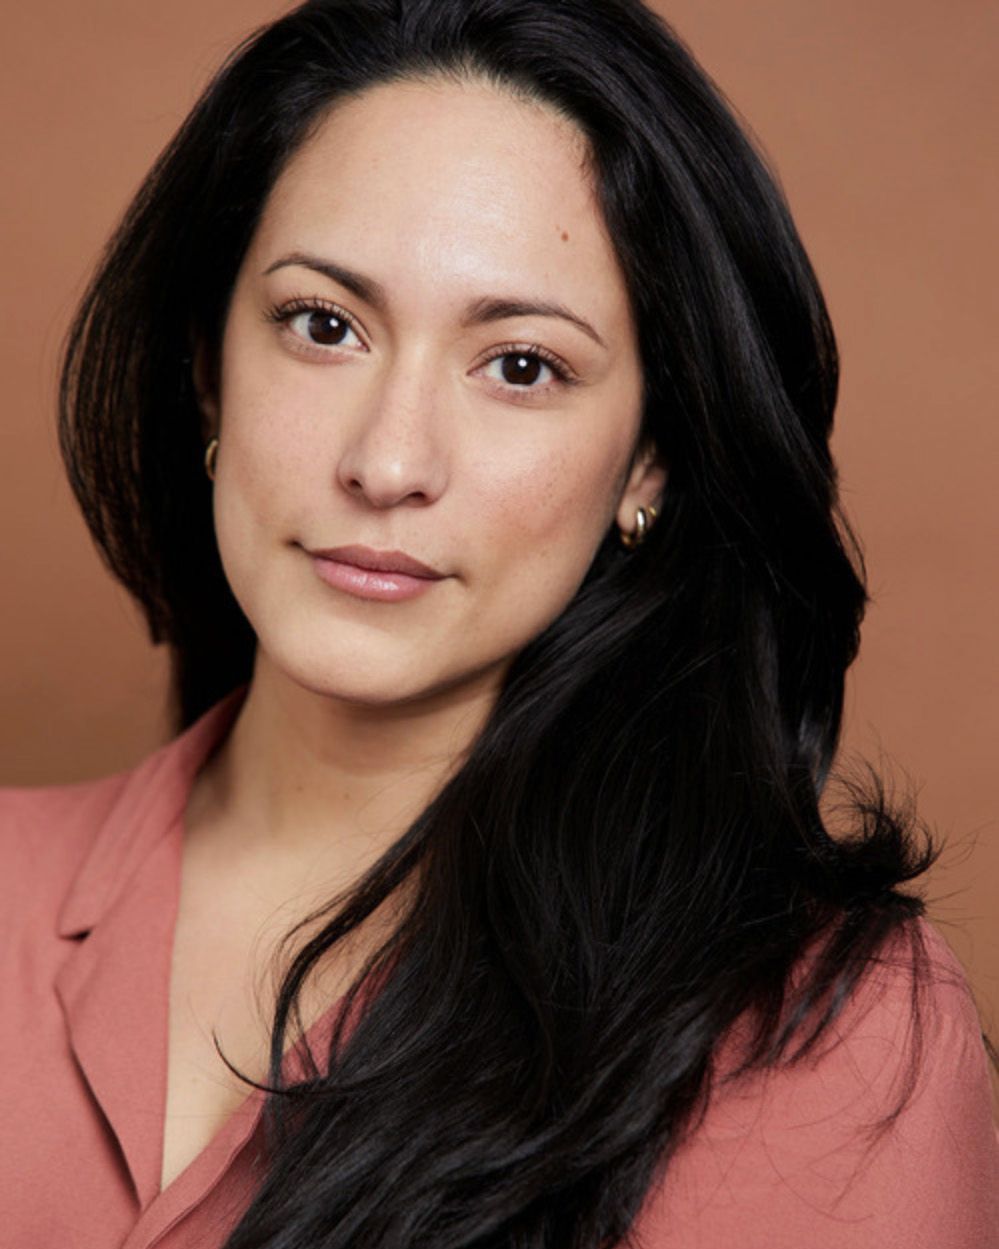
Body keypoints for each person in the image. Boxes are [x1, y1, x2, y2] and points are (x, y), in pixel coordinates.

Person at [2, 0, 996, 1245]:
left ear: (651, 462)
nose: (387, 460)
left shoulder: (817, 1030)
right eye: (324, 325)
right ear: (209, 365)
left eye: (521, 364)